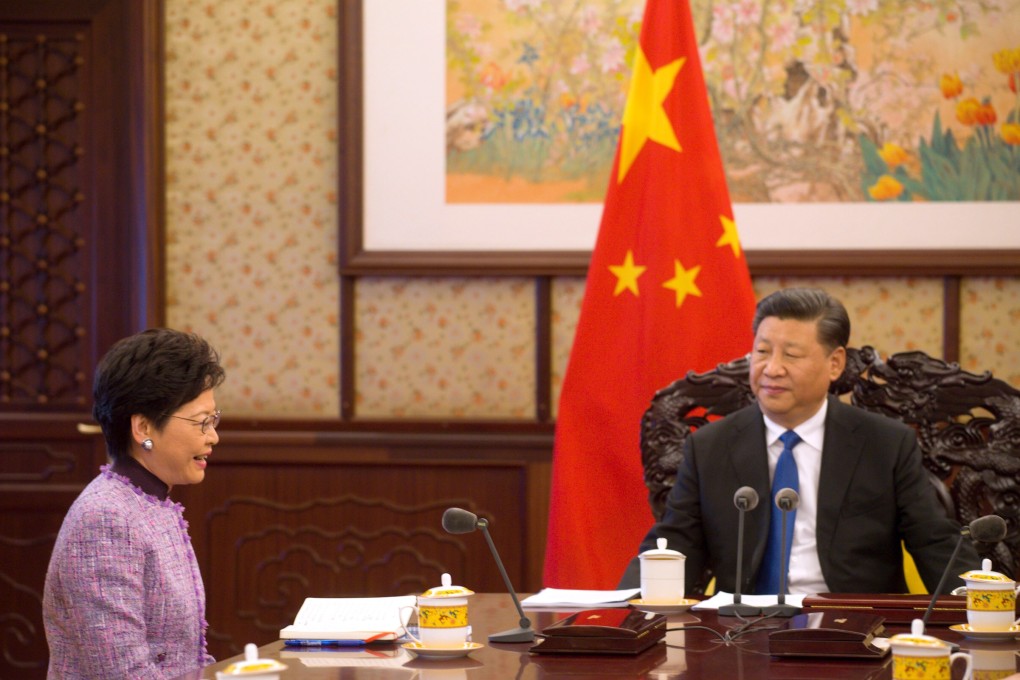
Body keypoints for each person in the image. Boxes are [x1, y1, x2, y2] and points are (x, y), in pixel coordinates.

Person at [620, 288, 979, 596]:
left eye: (791, 355)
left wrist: (988, 606)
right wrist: (616, 618)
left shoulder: (885, 444)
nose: (772, 369)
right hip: (741, 634)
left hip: (852, 632)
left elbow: (936, 544)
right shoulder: (710, 445)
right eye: (762, 352)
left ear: (835, 363)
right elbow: (674, 544)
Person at [43, 328, 225, 679]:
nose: (213, 436)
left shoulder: (149, 502)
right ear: (143, 428)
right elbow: (122, 671)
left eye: (213, 420)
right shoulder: (105, 519)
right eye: (202, 422)